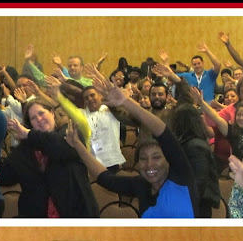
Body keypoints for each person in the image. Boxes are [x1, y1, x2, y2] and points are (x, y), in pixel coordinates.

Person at [70, 67, 198, 218]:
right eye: (143, 159)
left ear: (169, 159)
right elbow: (105, 178)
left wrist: (125, 101)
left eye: (156, 157)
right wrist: (77, 145)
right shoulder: (141, 185)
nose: (149, 164)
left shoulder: (181, 176)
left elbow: (163, 133)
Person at [0, 98, 99, 218]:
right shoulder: (26, 149)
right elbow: (5, 177)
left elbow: (57, 147)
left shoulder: (70, 134)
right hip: (38, 220)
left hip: (76, 214)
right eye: (33, 118)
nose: (39, 119)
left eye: (41, 113)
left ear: (52, 113)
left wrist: (28, 134)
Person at [170, 102, 221, 217]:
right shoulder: (190, 142)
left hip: (196, 204)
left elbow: (199, 182)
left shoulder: (196, 146)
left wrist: (184, 205)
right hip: (190, 201)